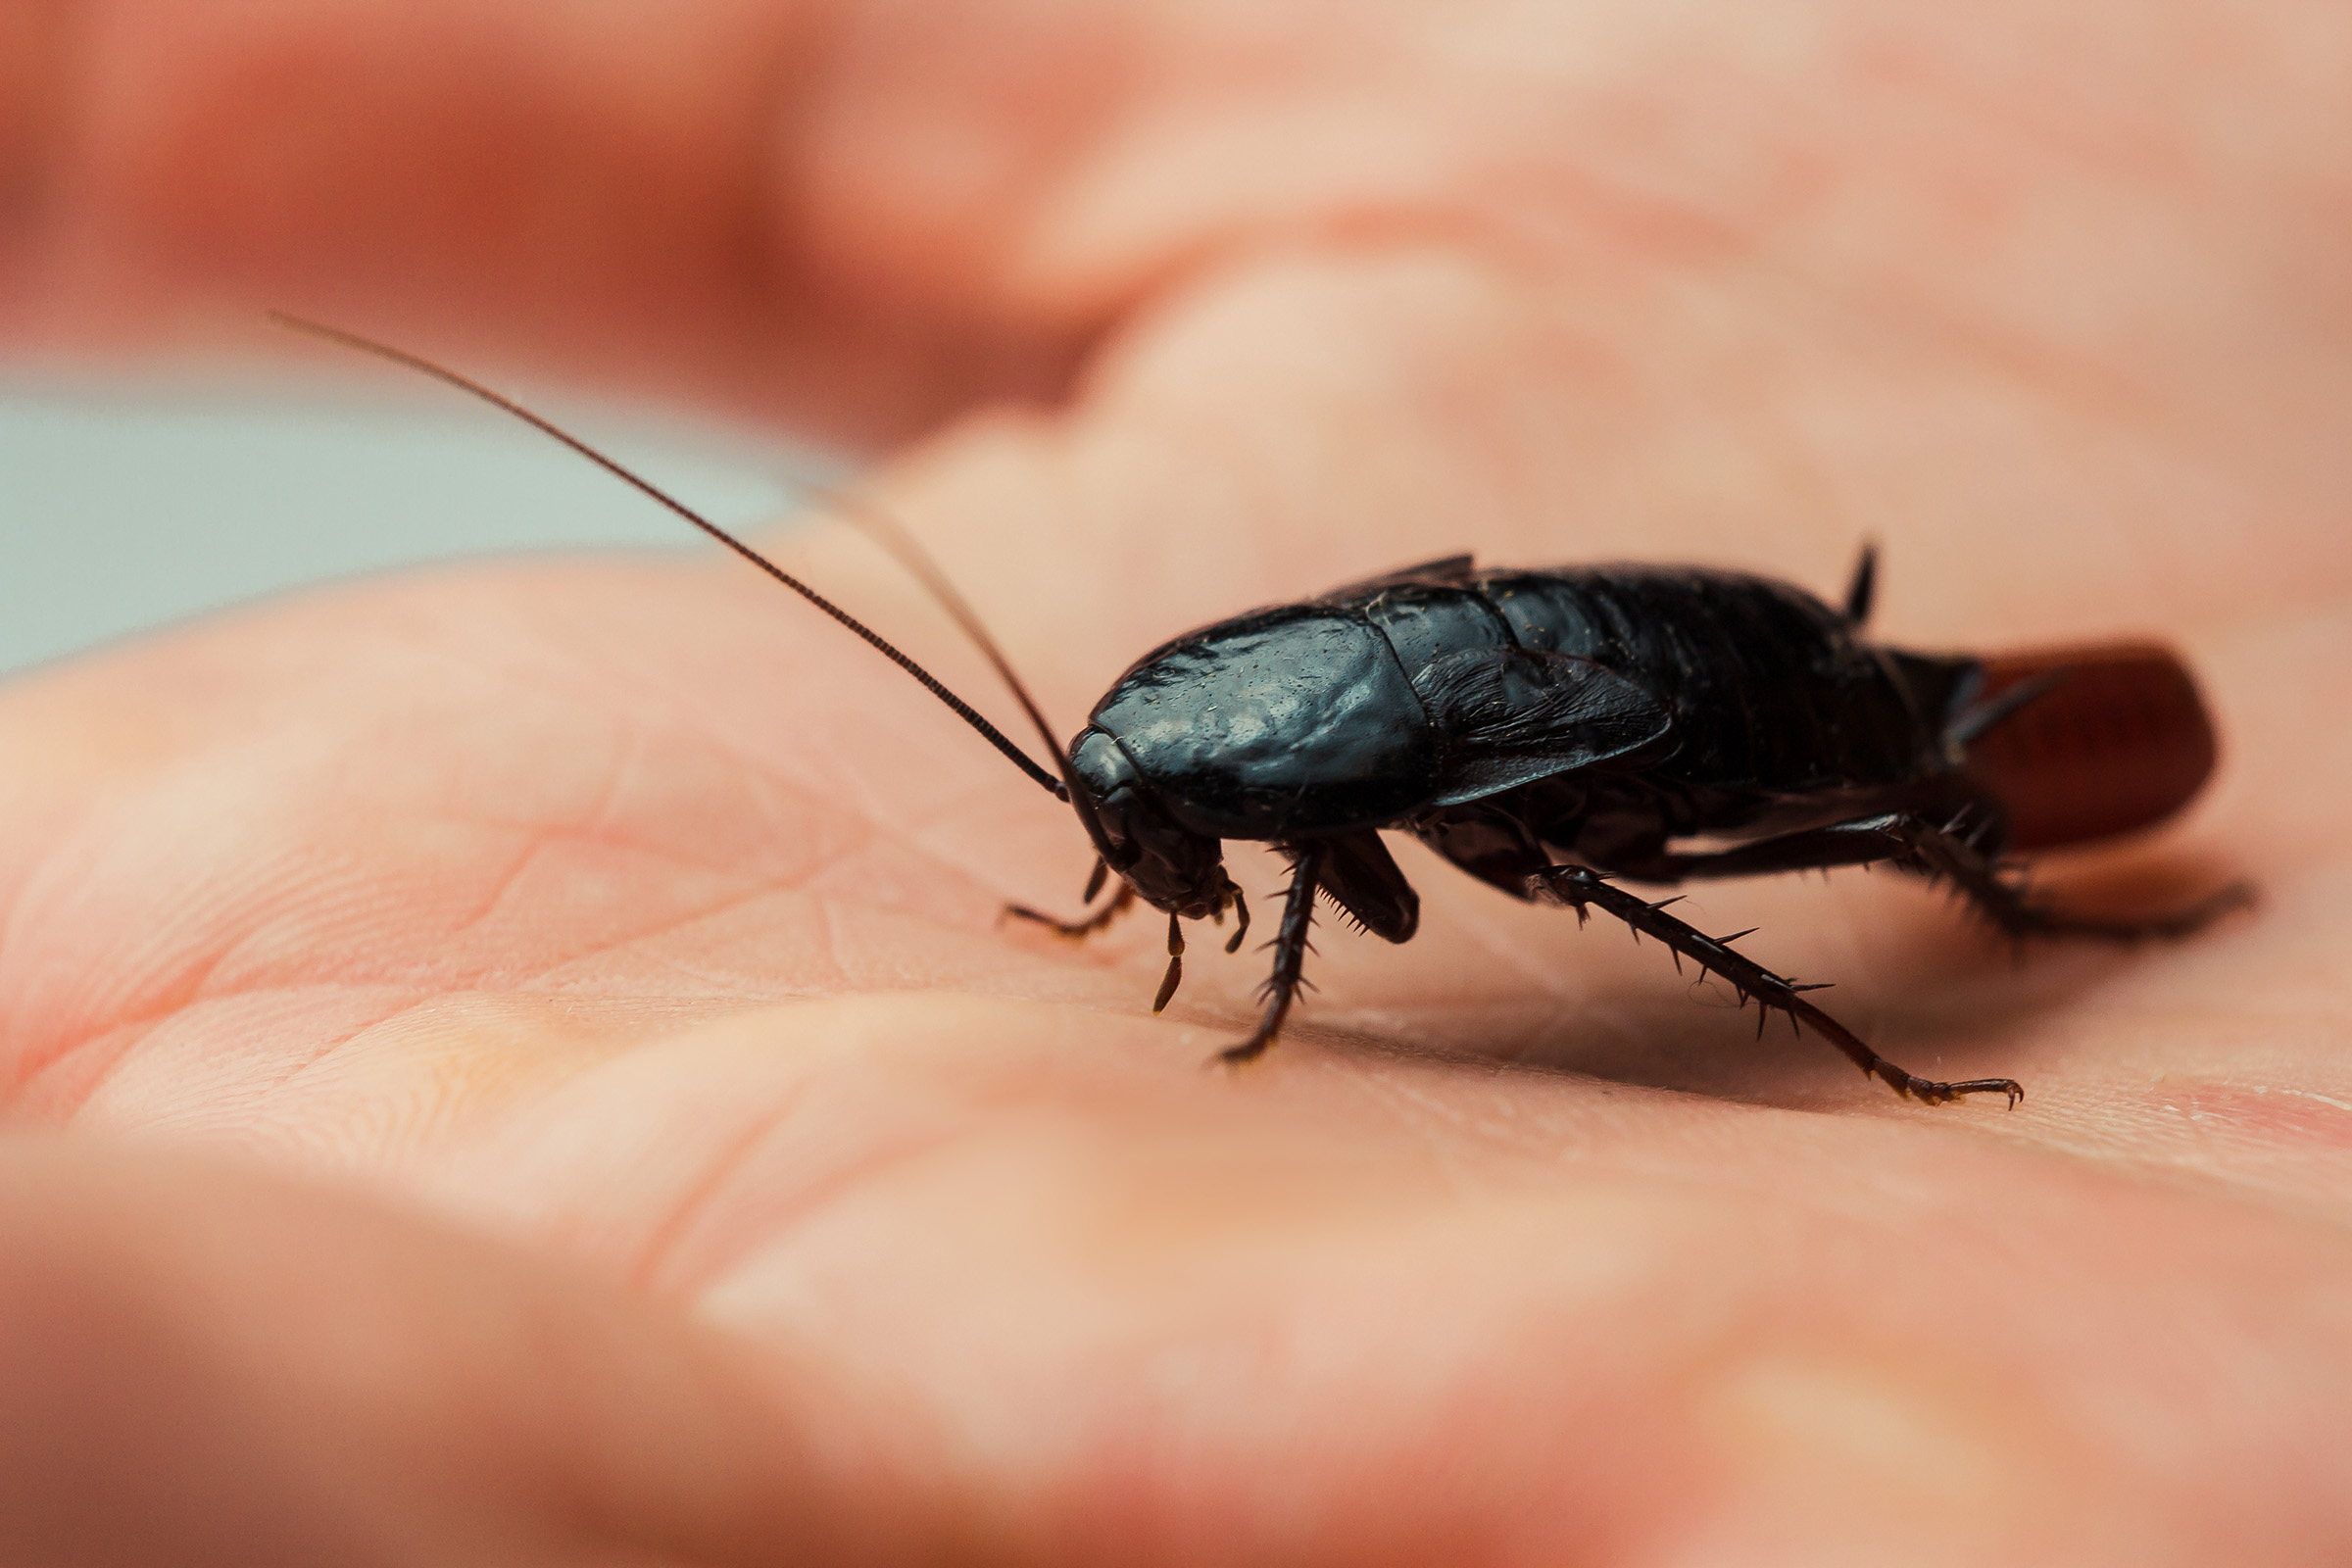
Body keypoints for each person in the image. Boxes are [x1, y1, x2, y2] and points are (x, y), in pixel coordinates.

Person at [5, 1, 2348, 1560]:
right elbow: (1308, 829)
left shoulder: (1333, 780)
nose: (1158, 850)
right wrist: (1178, 905)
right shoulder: (1285, 762)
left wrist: (1261, 973)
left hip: (1696, 684)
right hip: (1602, 651)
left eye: (1147, 837)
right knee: (1666, 826)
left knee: (1810, 805)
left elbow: (1357, 853)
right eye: (1141, 839)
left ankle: (2034, 912)